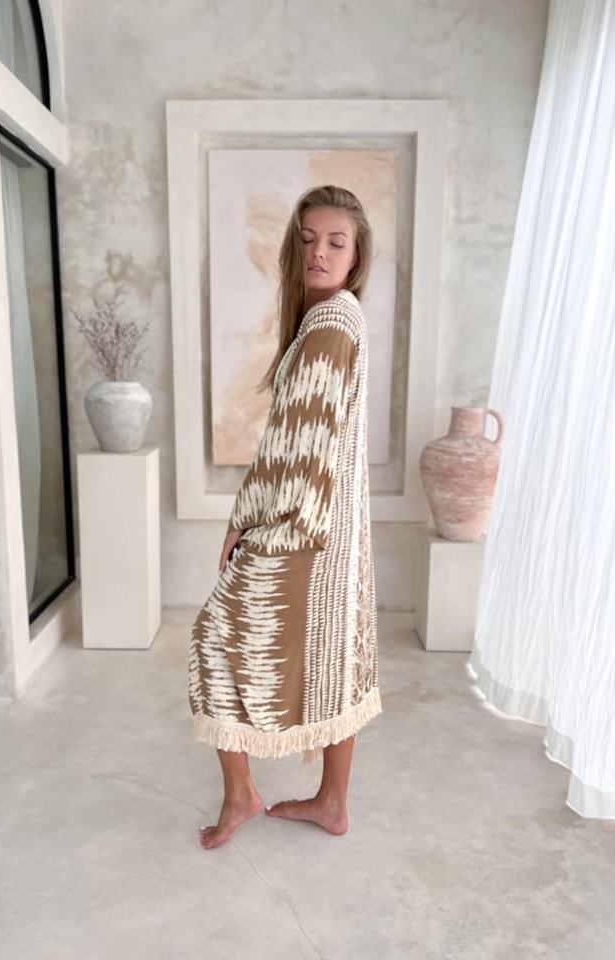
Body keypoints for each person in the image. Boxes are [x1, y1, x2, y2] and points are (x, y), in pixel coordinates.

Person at [189, 184, 381, 849]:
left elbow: (297, 446)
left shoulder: (328, 328)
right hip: (336, 530)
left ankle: (241, 795)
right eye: (307, 241)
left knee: (213, 636)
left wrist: (245, 520)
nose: (319, 253)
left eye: (335, 243)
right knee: (335, 655)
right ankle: (332, 802)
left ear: (356, 257)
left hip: (301, 527)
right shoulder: (341, 318)